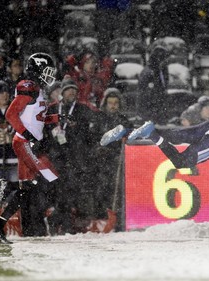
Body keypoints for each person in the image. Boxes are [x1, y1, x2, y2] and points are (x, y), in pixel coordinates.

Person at [0, 52, 62, 243]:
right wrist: (27, 135)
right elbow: (11, 114)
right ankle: (11, 188)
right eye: (46, 70)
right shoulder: (28, 87)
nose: (49, 74)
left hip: (28, 143)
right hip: (24, 143)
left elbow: (38, 118)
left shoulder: (38, 89)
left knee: (26, 190)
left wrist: (58, 118)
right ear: (36, 69)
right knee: (51, 178)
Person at [45, 77, 98, 234]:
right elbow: (46, 131)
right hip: (56, 157)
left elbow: (90, 134)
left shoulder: (82, 109)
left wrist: (77, 130)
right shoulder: (53, 109)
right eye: (68, 90)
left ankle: (61, 221)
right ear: (62, 92)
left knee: (70, 191)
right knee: (60, 190)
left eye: (74, 90)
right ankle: (60, 221)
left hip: (76, 158)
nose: (71, 93)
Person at [93, 88, 133, 218]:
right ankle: (101, 216)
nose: (113, 106)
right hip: (100, 162)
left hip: (117, 161)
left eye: (116, 103)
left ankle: (117, 216)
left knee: (116, 190)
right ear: (105, 104)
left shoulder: (125, 121)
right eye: (110, 103)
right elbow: (92, 138)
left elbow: (130, 139)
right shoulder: (99, 119)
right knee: (100, 190)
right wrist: (98, 149)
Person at [137, 45, 170, 124]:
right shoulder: (148, 72)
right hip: (151, 111)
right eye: (164, 59)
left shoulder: (162, 70)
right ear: (158, 59)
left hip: (160, 109)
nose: (166, 62)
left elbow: (164, 86)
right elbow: (144, 95)